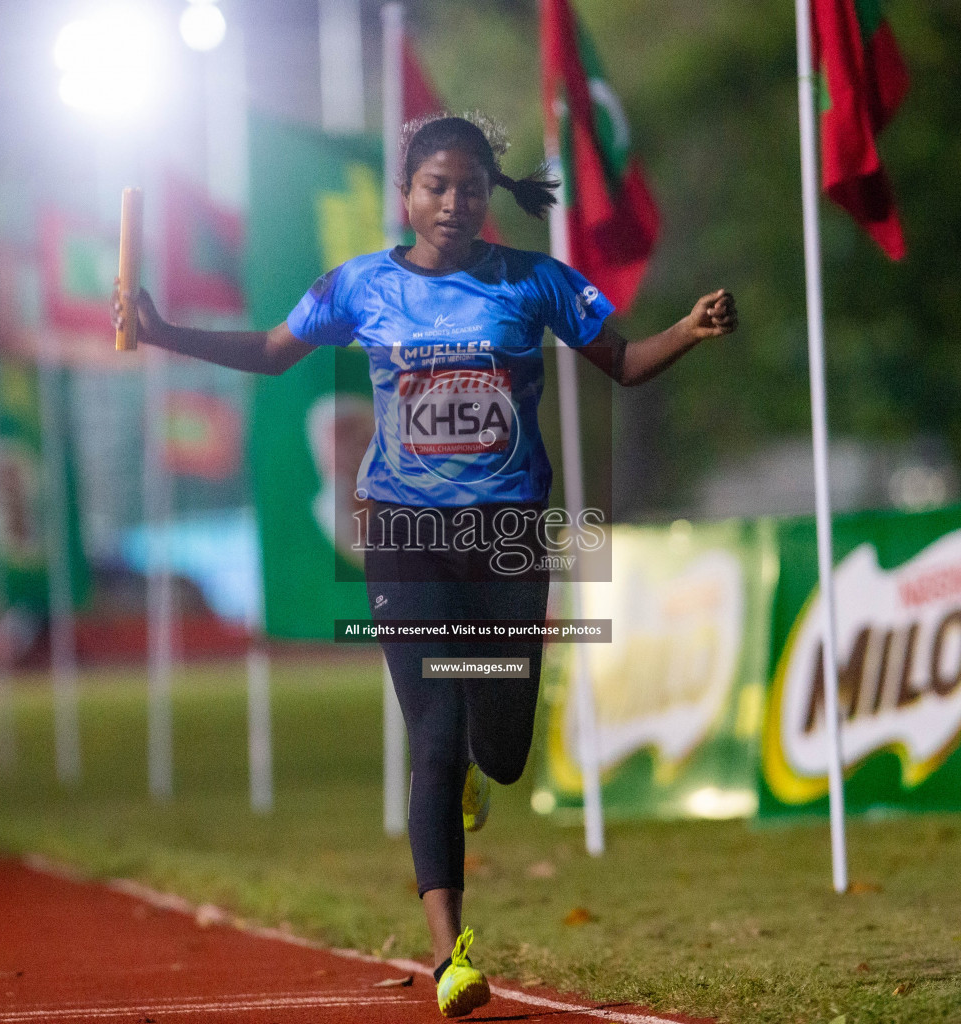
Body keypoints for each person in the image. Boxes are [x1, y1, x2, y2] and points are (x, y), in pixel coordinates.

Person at [115, 112, 737, 1018]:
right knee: (434, 736)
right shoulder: (360, 287)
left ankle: (478, 768)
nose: (454, 202)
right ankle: (452, 953)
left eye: (471, 188)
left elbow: (626, 363)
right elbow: (269, 353)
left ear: (490, 199)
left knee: (503, 750)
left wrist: (686, 327)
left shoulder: (534, 282)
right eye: (437, 187)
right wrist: (166, 331)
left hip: (511, 539)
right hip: (405, 535)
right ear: (406, 195)